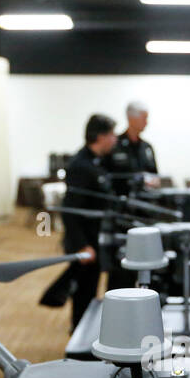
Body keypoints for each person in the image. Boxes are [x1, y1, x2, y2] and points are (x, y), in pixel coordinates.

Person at [39, 114, 114, 327]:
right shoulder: (81, 165)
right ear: (100, 136)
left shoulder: (96, 161)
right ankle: (78, 340)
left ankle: (82, 333)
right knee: (82, 294)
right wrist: (83, 245)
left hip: (94, 239)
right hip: (84, 242)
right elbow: (70, 211)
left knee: (88, 291)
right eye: (111, 135)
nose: (115, 140)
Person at [105, 101, 158, 195]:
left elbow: (156, 176)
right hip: (122, 200)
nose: (146, 122)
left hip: (146, 201)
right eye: (144, 118)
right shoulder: (114, 146)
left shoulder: (147, 147)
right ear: (131, 118)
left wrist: (154, 181)